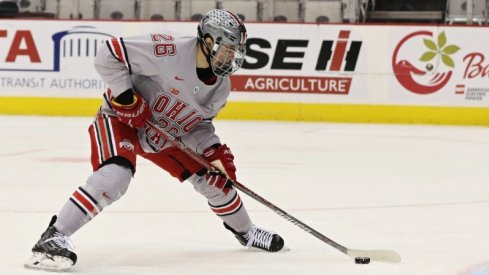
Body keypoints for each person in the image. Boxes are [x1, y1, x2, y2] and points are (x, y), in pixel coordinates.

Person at [25, 9, 285, 272]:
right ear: (208, 41)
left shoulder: (220, 86)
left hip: (164, 134)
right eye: (228, 48)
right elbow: (109, 54)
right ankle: (53, 236)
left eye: (236, 50)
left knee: (214, 180)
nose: (233, 56)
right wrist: (127, 98)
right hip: (121, 119)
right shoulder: (168, 50)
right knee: (116, 176)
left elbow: (199, 125)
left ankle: (247, 232)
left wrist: (211, 151)